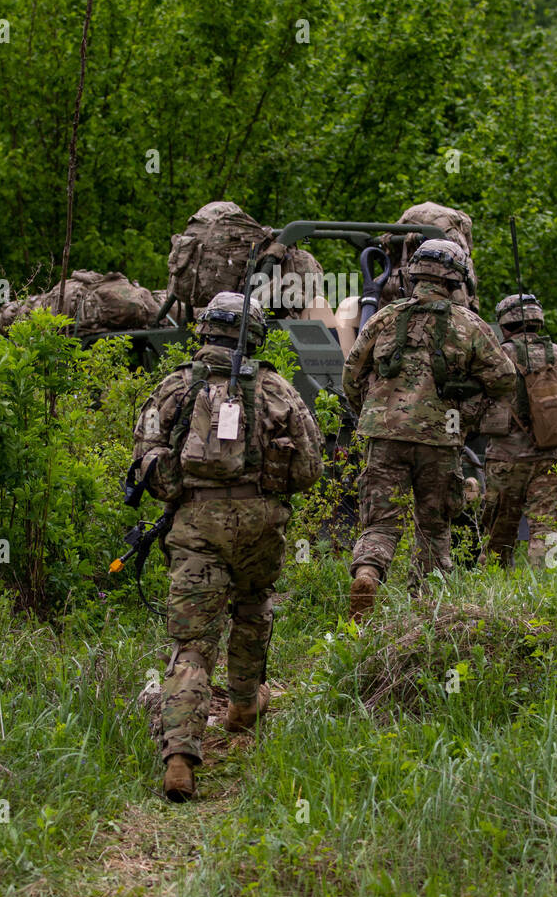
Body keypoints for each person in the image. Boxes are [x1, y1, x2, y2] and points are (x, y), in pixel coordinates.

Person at [131, 290, 323, 801]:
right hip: (261, 526)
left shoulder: (173, 387)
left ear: (203, 331)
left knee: (192, 645)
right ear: (256, 336)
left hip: (196, 525)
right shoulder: (278, 389)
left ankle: (179, 755)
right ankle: (242, 706)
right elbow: (309, 468)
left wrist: (182, 491)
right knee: (254, 606)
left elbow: (145, 457)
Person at [341, 240, 516, 619]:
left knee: (381, 523)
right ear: (457, 280)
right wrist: (466, 415)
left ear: (414, 274)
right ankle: (425, 613)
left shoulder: (382, 318)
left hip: (384, 437)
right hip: (440, 439)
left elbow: (351, 376)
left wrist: (373, 416)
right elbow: (504, 379)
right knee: (434, 527)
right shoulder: (469, 325)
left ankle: (368, 573)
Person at [480, 293, 557, 567]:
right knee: (546, 530)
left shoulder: (496, 356)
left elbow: (474, 401)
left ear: (504, 324)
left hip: (505, 459)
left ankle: (493, 596)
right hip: (551, 456)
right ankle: (544, 595)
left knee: (498, 533)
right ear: (538, 321)